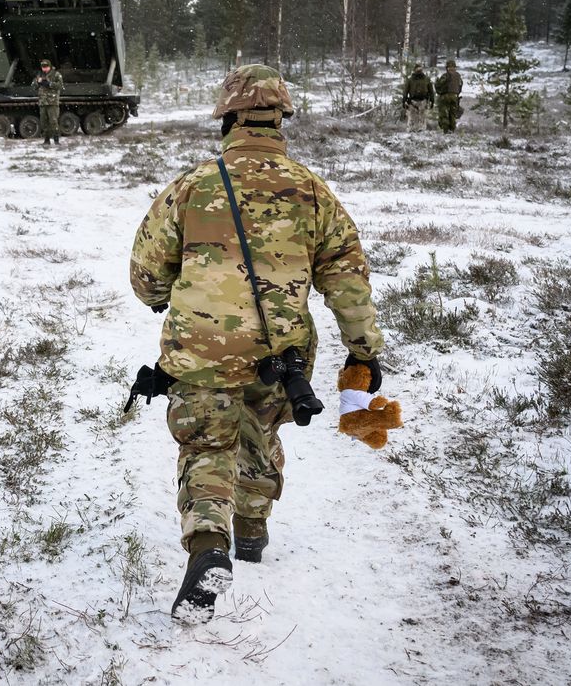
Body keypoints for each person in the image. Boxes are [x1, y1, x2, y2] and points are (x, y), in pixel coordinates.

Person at [129, 64, 387, 624]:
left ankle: (208, 548)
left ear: (227, 118)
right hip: (280, 358)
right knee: (260, 432)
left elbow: (147, 271)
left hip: (199, 356)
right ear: (282, 119)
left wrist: (160, 298)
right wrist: (363, 349)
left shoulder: (192, 187)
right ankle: (250, 532)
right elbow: (347, 279)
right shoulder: (314, 192)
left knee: (206, 447)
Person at [34, 58, 63, 145]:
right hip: (43, 102)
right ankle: (46, 140)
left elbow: (60, 86)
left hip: (52, 102)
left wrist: (50, 84)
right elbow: (34, 86)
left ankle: (56, 141)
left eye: (46, 67)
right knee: (43, 122)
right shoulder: (39, 74)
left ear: (49, 66)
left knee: (53, 121)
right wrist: (38, 83)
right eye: (43, 67)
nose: (44, 68)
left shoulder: (56, 74)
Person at [434, 59, 463, 134]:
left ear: (447, 67)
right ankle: (452, 130)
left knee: (444, 113)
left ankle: (445, 130)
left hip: (445, 96)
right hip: (455, 96)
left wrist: (436, 83)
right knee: (452, 114)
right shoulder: (458, 76)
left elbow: (439, 84)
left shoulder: (446, 75)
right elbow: (460, 86)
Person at [402, 65, 434, 131]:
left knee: (422, 117)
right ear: (415, 70)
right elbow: (406, 90)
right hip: (413, 101)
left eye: (420, 69)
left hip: (423, 101)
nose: (419, 70)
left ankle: (421, 130)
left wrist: (432, 100)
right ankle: (411, 130)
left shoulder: (426, 79)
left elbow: (431, 91)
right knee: (411, 116)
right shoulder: (410, 79)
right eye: (417, 69)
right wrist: (404, 100)